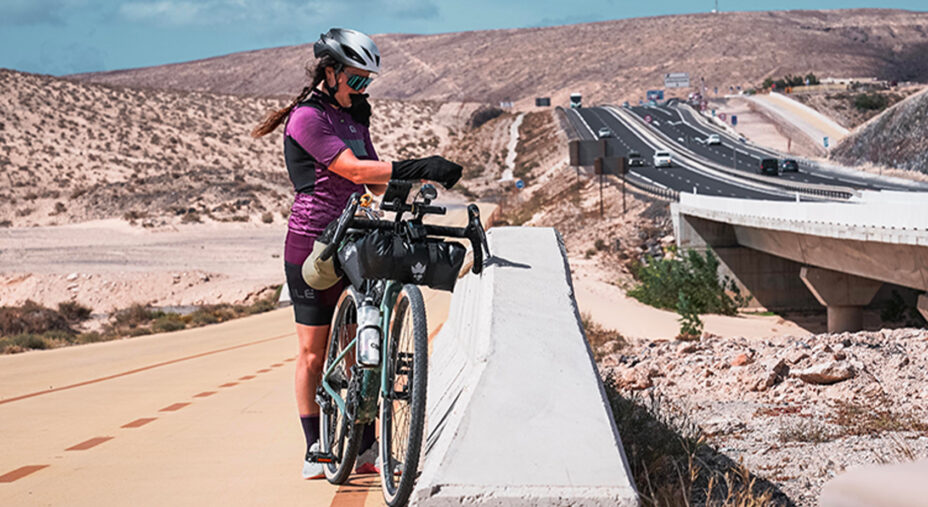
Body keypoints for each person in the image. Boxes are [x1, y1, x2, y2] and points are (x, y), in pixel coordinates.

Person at [251, 28, 462, 480]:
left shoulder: (354, 119)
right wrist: (418, 164)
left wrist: (410, 186)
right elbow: (350, 169)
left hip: (356, 233)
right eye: (357, 79)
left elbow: (374, 182)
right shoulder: (307, 117)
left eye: (368, 82)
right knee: (313, 351)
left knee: (357, 346)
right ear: (330, 73)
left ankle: (364, 446)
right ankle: (314, 447)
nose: (363, 89)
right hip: (313, 240)